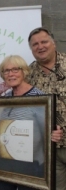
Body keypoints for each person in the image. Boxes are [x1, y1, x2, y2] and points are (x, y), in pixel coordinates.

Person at [0, 55, 44, 190]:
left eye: (15, 69)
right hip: (6, 163)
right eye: (6, 71)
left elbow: (46, 132)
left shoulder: (39, 97)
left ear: (23, 71)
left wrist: (55, 133)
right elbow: (9, 129)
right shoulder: (6, 98)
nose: (10, 74)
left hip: (30, 165)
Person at [27, 27, 65, 190]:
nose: (40, 46)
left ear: (53, 43)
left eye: (44, 42)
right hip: (48, 149)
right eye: (35, 44)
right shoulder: (28, 73)